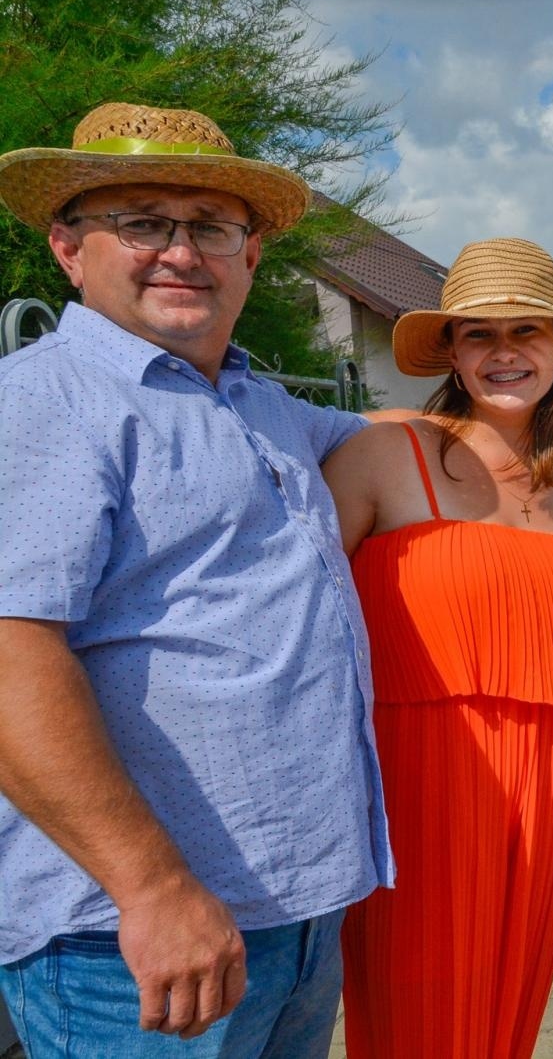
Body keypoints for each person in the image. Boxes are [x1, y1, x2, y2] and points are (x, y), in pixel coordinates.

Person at [0, 102, 391, 1057]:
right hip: (133, 941)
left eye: (210, 226)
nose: (181, 251)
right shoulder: (47, 402)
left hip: (291, 918)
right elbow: (11, 655)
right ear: (67, 247)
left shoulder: (263, 403)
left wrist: (535, 437)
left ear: (250, 255)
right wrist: (153, 888)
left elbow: (410, 444)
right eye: (141, 221)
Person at [324, 237, 553, 1058]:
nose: (505, 353)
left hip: (541, 810)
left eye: (527, 332)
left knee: (508, 1030)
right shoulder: (382, 453)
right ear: (452, 354)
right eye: (478, 335)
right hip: (415, 802)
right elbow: (296, 624)